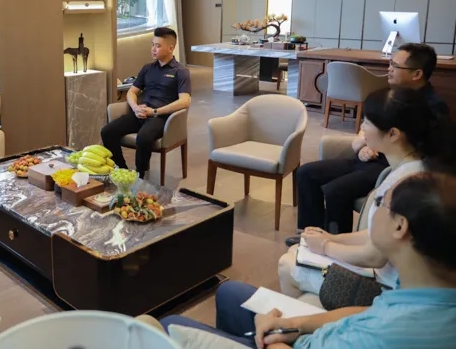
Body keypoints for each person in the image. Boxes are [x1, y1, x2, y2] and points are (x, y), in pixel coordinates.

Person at [160, 171, 456, 349]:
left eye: (380, 203)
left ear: (400, 226)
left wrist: (273, 337)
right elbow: (370, 310)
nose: (374, 211)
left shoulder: (387, 334)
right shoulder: (426, 287)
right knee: (229, 291)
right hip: (307, 336)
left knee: (166, 324)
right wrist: (295, 324)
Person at [279, 87, 452, 298]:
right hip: (383, 275)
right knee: (297, 253)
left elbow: (374, 257)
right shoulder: (408, 170)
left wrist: (326, 246)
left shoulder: (406, 184)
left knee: (287, 264)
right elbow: (374, 234)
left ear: (393, 134)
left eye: (367, 122)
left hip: (384, 288)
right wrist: (333, 238)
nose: (362, 127)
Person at [290, 42, 449, 242]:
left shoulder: (432, 108)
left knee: (336, 191)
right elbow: (367, 128)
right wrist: (363, 146)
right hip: (369, 158)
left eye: (395, 65)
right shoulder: (393, 94)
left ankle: (335, 241)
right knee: (307, 173)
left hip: (388, 165)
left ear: (417, 74)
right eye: (390, 63)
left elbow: (424, 152)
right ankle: (308, 234)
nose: (389, 69)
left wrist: (374, 147)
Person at [100, 27, 191, 178]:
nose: (153, 49)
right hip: (141, 113)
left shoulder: (180, 71)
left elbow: (185, 101)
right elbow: (132, 92)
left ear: (170, 48)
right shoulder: (147, 68)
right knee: (107, 131)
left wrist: (155, 112)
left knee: (144, 137)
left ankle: (139, 176)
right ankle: (122, 169)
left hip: (161, 117)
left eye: (158, 46)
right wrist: (136, 108)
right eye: (152, 44)